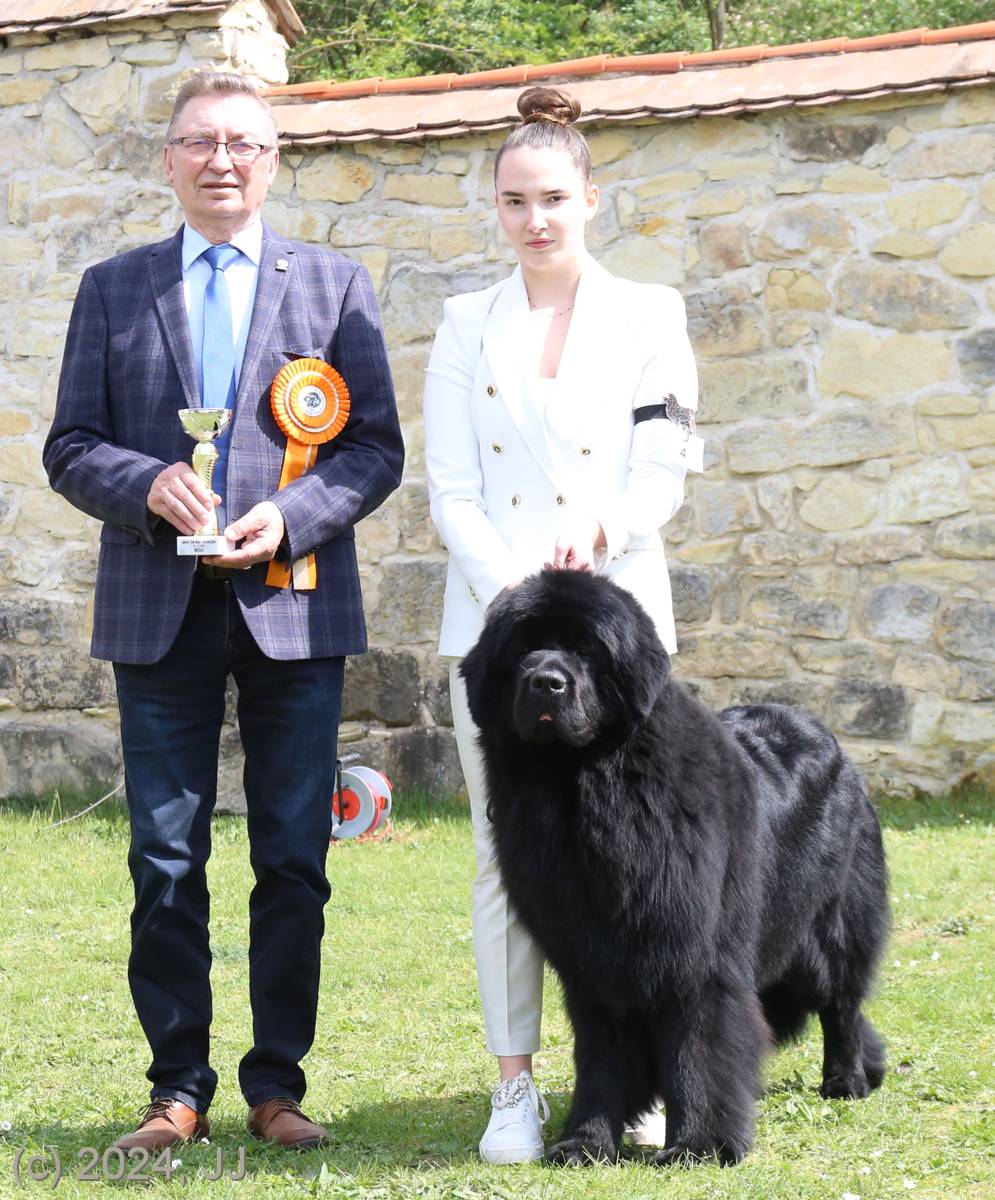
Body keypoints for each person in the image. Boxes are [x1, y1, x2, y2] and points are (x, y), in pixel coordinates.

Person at [43, 72, 403, 1152]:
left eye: (243, 142)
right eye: (200, 141)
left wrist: (289, 516)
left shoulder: (333, 285)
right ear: (168, 160)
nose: (222, 160)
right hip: (156, 607)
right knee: (163, 857)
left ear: (273, 161)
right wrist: (146, 483)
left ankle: (276, 1087)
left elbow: (373, 451)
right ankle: (176, 1091)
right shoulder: (113, 287)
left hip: (293, 606)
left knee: (293, 855)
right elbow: (69, 446)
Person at [423, 86, 702, 1164]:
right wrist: (517, 604)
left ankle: (643, 1077)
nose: (533, 219)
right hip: (495, 636)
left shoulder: (650, 313)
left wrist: (605, 525)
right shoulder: (464, 323)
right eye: (513, 201)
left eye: (550, 198)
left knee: (642, 854)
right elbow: (451, 489)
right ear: (494, 208)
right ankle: (513, 1086)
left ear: (589, 197)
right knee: (507, 861)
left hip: (618, 632)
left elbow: (663, 464)